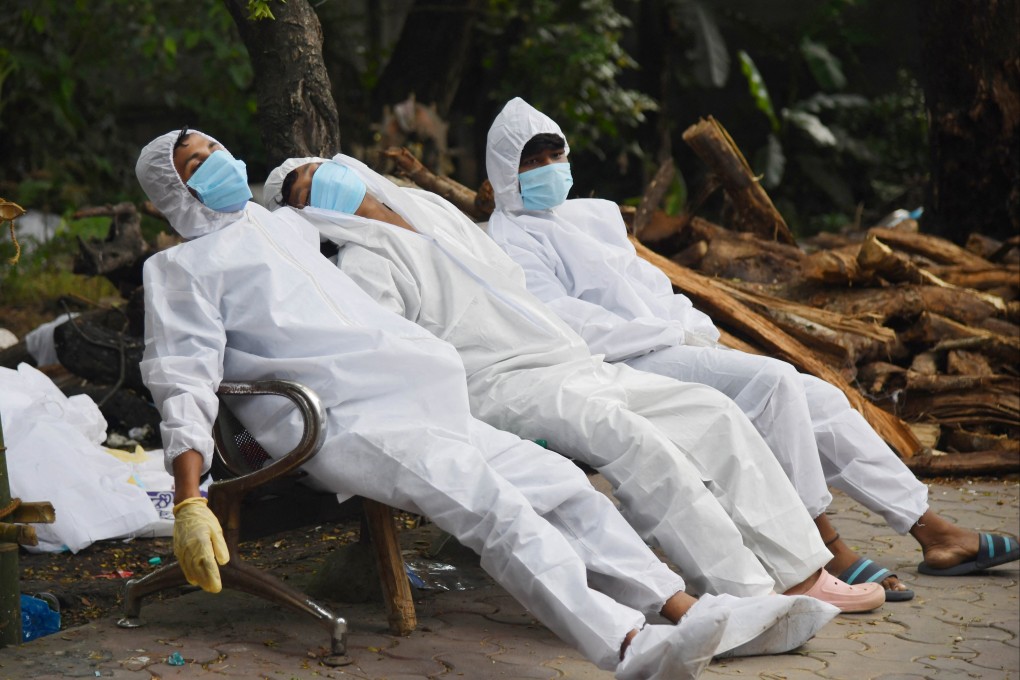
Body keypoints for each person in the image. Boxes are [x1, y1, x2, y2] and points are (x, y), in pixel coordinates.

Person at [136, 127, 841, 680]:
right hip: (339, 421)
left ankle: (684, 607)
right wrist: (190, 498)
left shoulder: (281, 226)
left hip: (421, 397)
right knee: (495, 509)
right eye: (199, 163)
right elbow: (182, 376)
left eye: (217, 148)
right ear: (170, 192)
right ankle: (624, 642)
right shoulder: (178, 269)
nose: (220, 162)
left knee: (565, 488)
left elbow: (372, 213)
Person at [262, 154, 885, 613]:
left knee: (707, 409)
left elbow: (510, 283)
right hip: (498, 384)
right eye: (304, 190)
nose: (321, 183)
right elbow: (396, 351)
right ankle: (745, 592)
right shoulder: (363, 262)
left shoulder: (433, 215)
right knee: (632, 438)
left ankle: (801, 571)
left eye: (320, 169)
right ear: (305, 215)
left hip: (562, 357)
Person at [482, 96, 1020, 597]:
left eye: (557, 153)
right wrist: (669, 332)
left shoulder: (586, 219)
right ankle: (822, 547)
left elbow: (653, 288)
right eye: (534, 161)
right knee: (773, 383)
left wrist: (687, 324)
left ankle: (932, 530)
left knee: (821, 400)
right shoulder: (511, 240)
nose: (553, 166)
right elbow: (570, 324)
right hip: (617, 364)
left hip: (667, 345)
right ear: (507, 172)